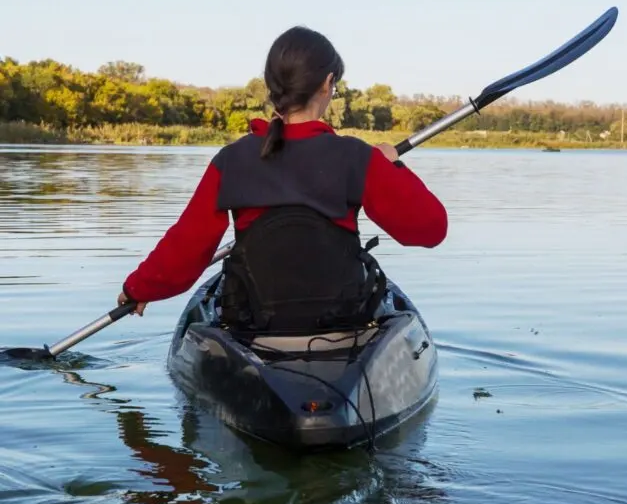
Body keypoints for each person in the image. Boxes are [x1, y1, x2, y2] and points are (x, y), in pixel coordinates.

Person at [118, 26, 447, 333]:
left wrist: (138, 288)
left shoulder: (231, 160)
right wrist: (394, 167)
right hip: (341, 322)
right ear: (327, 83)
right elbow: (431, 229)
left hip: (256, 324)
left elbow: (186, 248)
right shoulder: (358, 158)